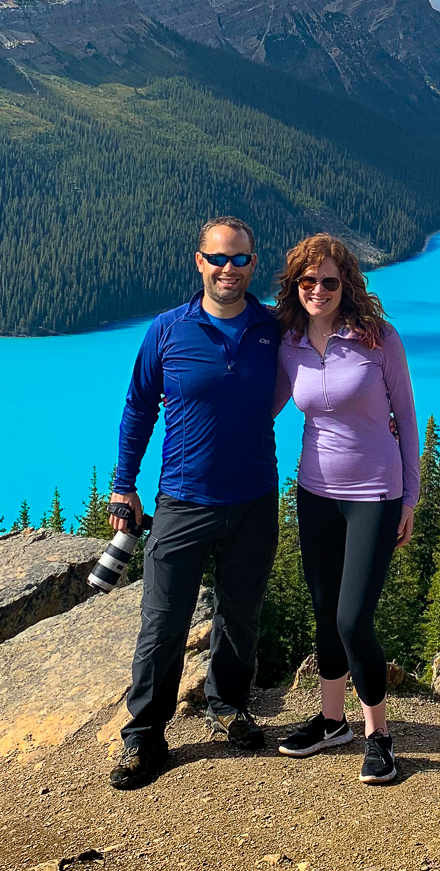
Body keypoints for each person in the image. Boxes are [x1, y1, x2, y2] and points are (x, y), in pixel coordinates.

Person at [108, 216, 281, 790]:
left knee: (241, 616)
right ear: (198, 261)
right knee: (162, 622)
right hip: (183, 500)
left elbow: (332, 358)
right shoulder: (167, 331)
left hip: (255, 498)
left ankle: (227, 706)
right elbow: (138, 409)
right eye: (218, 258)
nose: (228, 269)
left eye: (240, 260)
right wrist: (123, 483)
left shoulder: (272, 329)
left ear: (253, 265)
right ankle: (145, 737)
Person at [272, 234, 419, 784]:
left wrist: (410, 497)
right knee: (324, 611)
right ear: (296, 286)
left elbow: (405, 416)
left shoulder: (378, 339)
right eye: (307, 282)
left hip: (374, 497)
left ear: (346, 284)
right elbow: (268, 404)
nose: (318, 290)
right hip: (314, 493)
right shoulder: (290, 342)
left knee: (353, 618)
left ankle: (378, 732)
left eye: (329, 282)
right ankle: (332, 721)